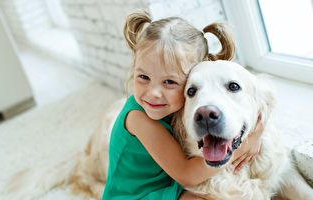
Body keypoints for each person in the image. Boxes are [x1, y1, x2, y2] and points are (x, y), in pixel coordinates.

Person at [102, 11, 263, 200]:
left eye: (169, 82)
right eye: (144, 77)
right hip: (136, 194)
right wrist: (244, 146)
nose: (153, 93)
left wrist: (257, 131)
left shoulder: (182, 104)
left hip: (167, 183)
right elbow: (187, 175)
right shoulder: (140, 119)